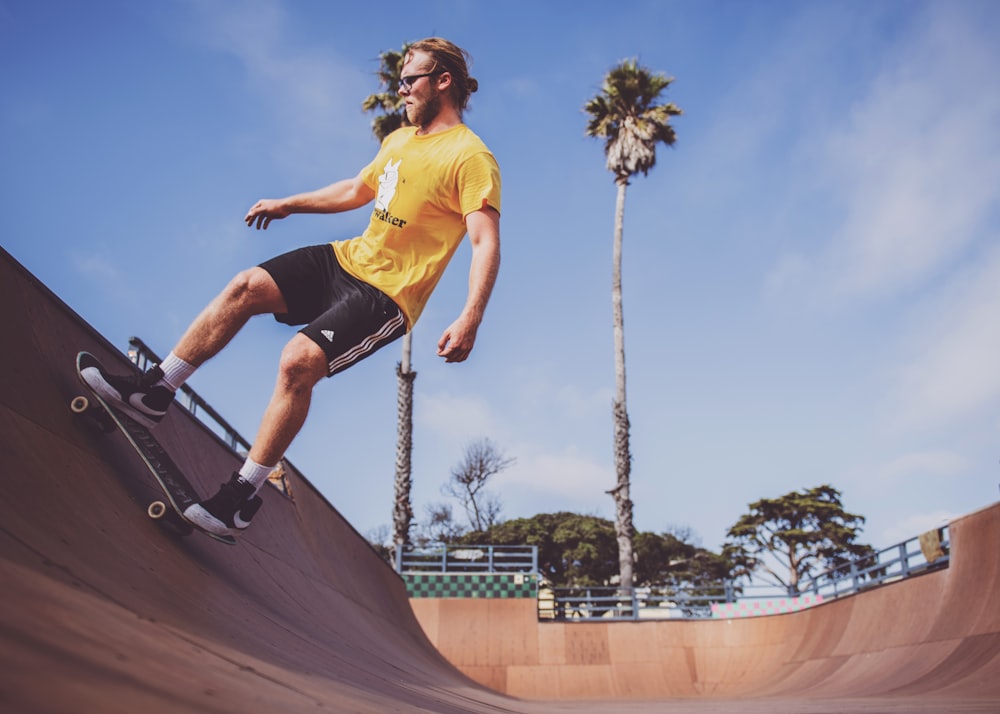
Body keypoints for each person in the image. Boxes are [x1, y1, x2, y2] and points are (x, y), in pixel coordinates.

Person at [83, 38, 502, 537]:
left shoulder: (471, 156)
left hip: (386, 296)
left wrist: (470, 315)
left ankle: (241, 496)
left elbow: (484, 241)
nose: (401, 89)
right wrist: (288, 203)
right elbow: (355, 191)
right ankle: (157, 389)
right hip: (345, 260)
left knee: (296, 362)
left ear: (443, 81)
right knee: (245, 286)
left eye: (410, 80)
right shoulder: (398, 141)